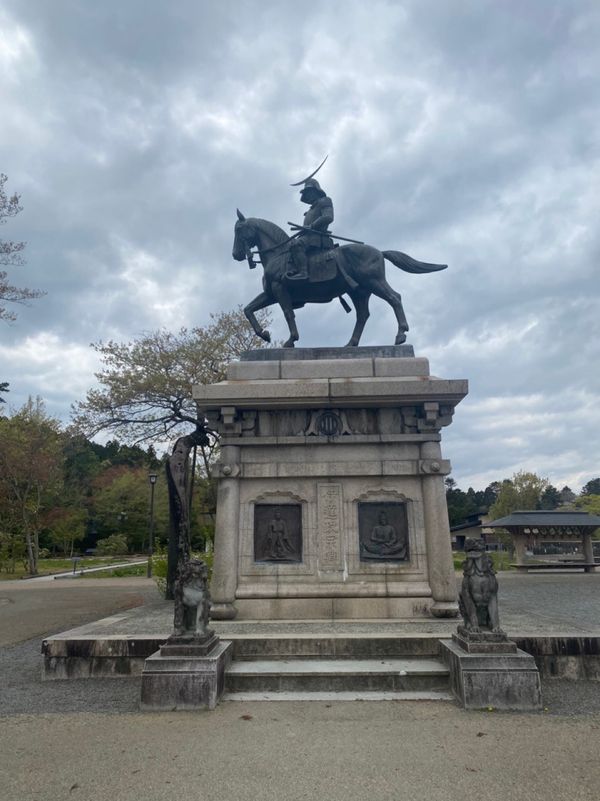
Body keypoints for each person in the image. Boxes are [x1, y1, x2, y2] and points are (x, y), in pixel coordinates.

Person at [288, 178, 334, 281]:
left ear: (315, 191)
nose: (307, 196)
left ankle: (303, 272)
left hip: (317, 237)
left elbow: (328, 217)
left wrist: (312, 226)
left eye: (308, 192)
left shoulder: (325, 201)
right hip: (308, 236)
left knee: (296, 245)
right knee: (290, 244)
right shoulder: (311, 209)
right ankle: (294, 268)